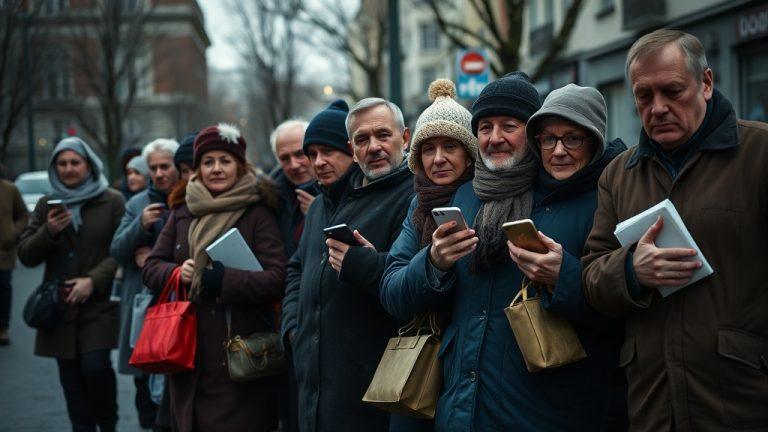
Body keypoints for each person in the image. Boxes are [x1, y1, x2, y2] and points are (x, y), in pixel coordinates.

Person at [382, 72, 626, 431]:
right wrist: (433, 263)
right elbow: (397, 294)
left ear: (531, 134)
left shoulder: (577, 199)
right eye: (484, 128)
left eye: (508, 126)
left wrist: (564, 277)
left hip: (544, 414)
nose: (495, 138)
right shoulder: (462, 198)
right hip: (461, 412)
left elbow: (618, 312)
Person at [582, 29, 768, 431]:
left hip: (743, 402)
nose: (658, 107)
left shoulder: (759, 153)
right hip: (654, 404)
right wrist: (632, 272)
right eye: (644, 96)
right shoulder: (619, 174)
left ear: (706, 83)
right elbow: (592, 276)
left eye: (672, 91)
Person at [280, 98, 414, 432]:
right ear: (354, 149)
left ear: (405, 138)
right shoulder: (324, 205)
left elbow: (416, 283)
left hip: (372, 390)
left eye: (383, 135)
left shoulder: (416, 197)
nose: (374, 147)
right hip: (315, 386)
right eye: (363, 140)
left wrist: (365, 265)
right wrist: (293, 326)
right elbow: (297, 268)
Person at [142, 123, 286, 432]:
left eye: (225, 161)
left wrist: (222, 280)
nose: (216, 169)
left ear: (239, 165)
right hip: (189, 357)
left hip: (240, 360)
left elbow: (276, 279)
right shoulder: (183, 210)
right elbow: (152, 267)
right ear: (197, 169)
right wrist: (178, 272)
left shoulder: (258, 213)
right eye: (208, 162)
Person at [18, 136, 125, 432]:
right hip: (59, 309)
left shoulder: (112, 200)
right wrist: (49, 232)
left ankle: (108, 423)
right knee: (71, 379)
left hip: (98, 304)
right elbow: (26, 255)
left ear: (88, 165)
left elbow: (121, 251)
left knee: (96, 367)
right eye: (62, 164)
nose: (68, 169)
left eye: (75, 162)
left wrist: (93, 280)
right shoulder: (46, 204)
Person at [110, 138, 180, 430]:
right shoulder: (137, 203)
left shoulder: (189, 199)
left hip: (178, 304)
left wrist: (156, 260)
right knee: (145, 383)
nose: (160, 173)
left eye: (165, 166)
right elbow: (116, 250)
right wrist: (140, 226)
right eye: (154, 168)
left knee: (177, 379)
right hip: (144, 306)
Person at [0, 166, 29, 346]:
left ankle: (3, 327)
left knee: (3, 289)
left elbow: (23, 215)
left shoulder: (10, 189)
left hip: (4, 252)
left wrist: (13, 233)